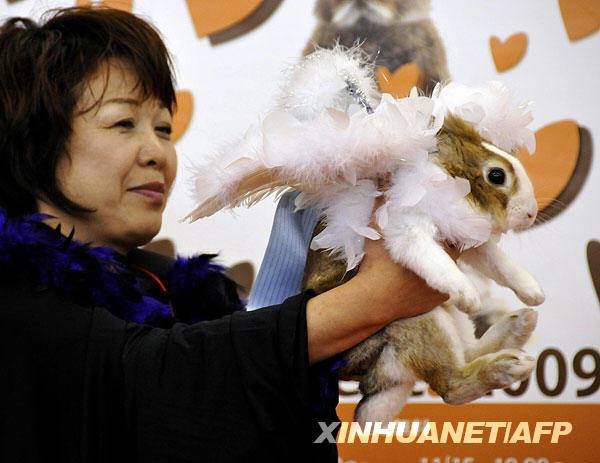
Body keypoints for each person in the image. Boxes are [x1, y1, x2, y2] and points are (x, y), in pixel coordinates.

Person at [0, 7, 452, 462]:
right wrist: (370, 300)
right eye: (123, 123)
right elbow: (146, 382)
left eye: (163, 128)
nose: (158, 152)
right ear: (35, 142)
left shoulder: (184, 294)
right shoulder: (13, 297)